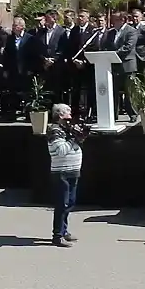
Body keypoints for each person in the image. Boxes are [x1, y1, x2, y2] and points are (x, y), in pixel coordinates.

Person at [47, 103, 82, 247]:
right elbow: (61, 150)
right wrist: (75, 138)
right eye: (68, 112)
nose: (71, 116)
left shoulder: (66, 129)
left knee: (70, 202)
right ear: (60, 115)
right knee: (62, 204)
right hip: (62, 172)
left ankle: (64, 230)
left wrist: (80, 136)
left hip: (73, 171)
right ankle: (57, 236)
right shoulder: (54, 130)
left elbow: (73, 145)